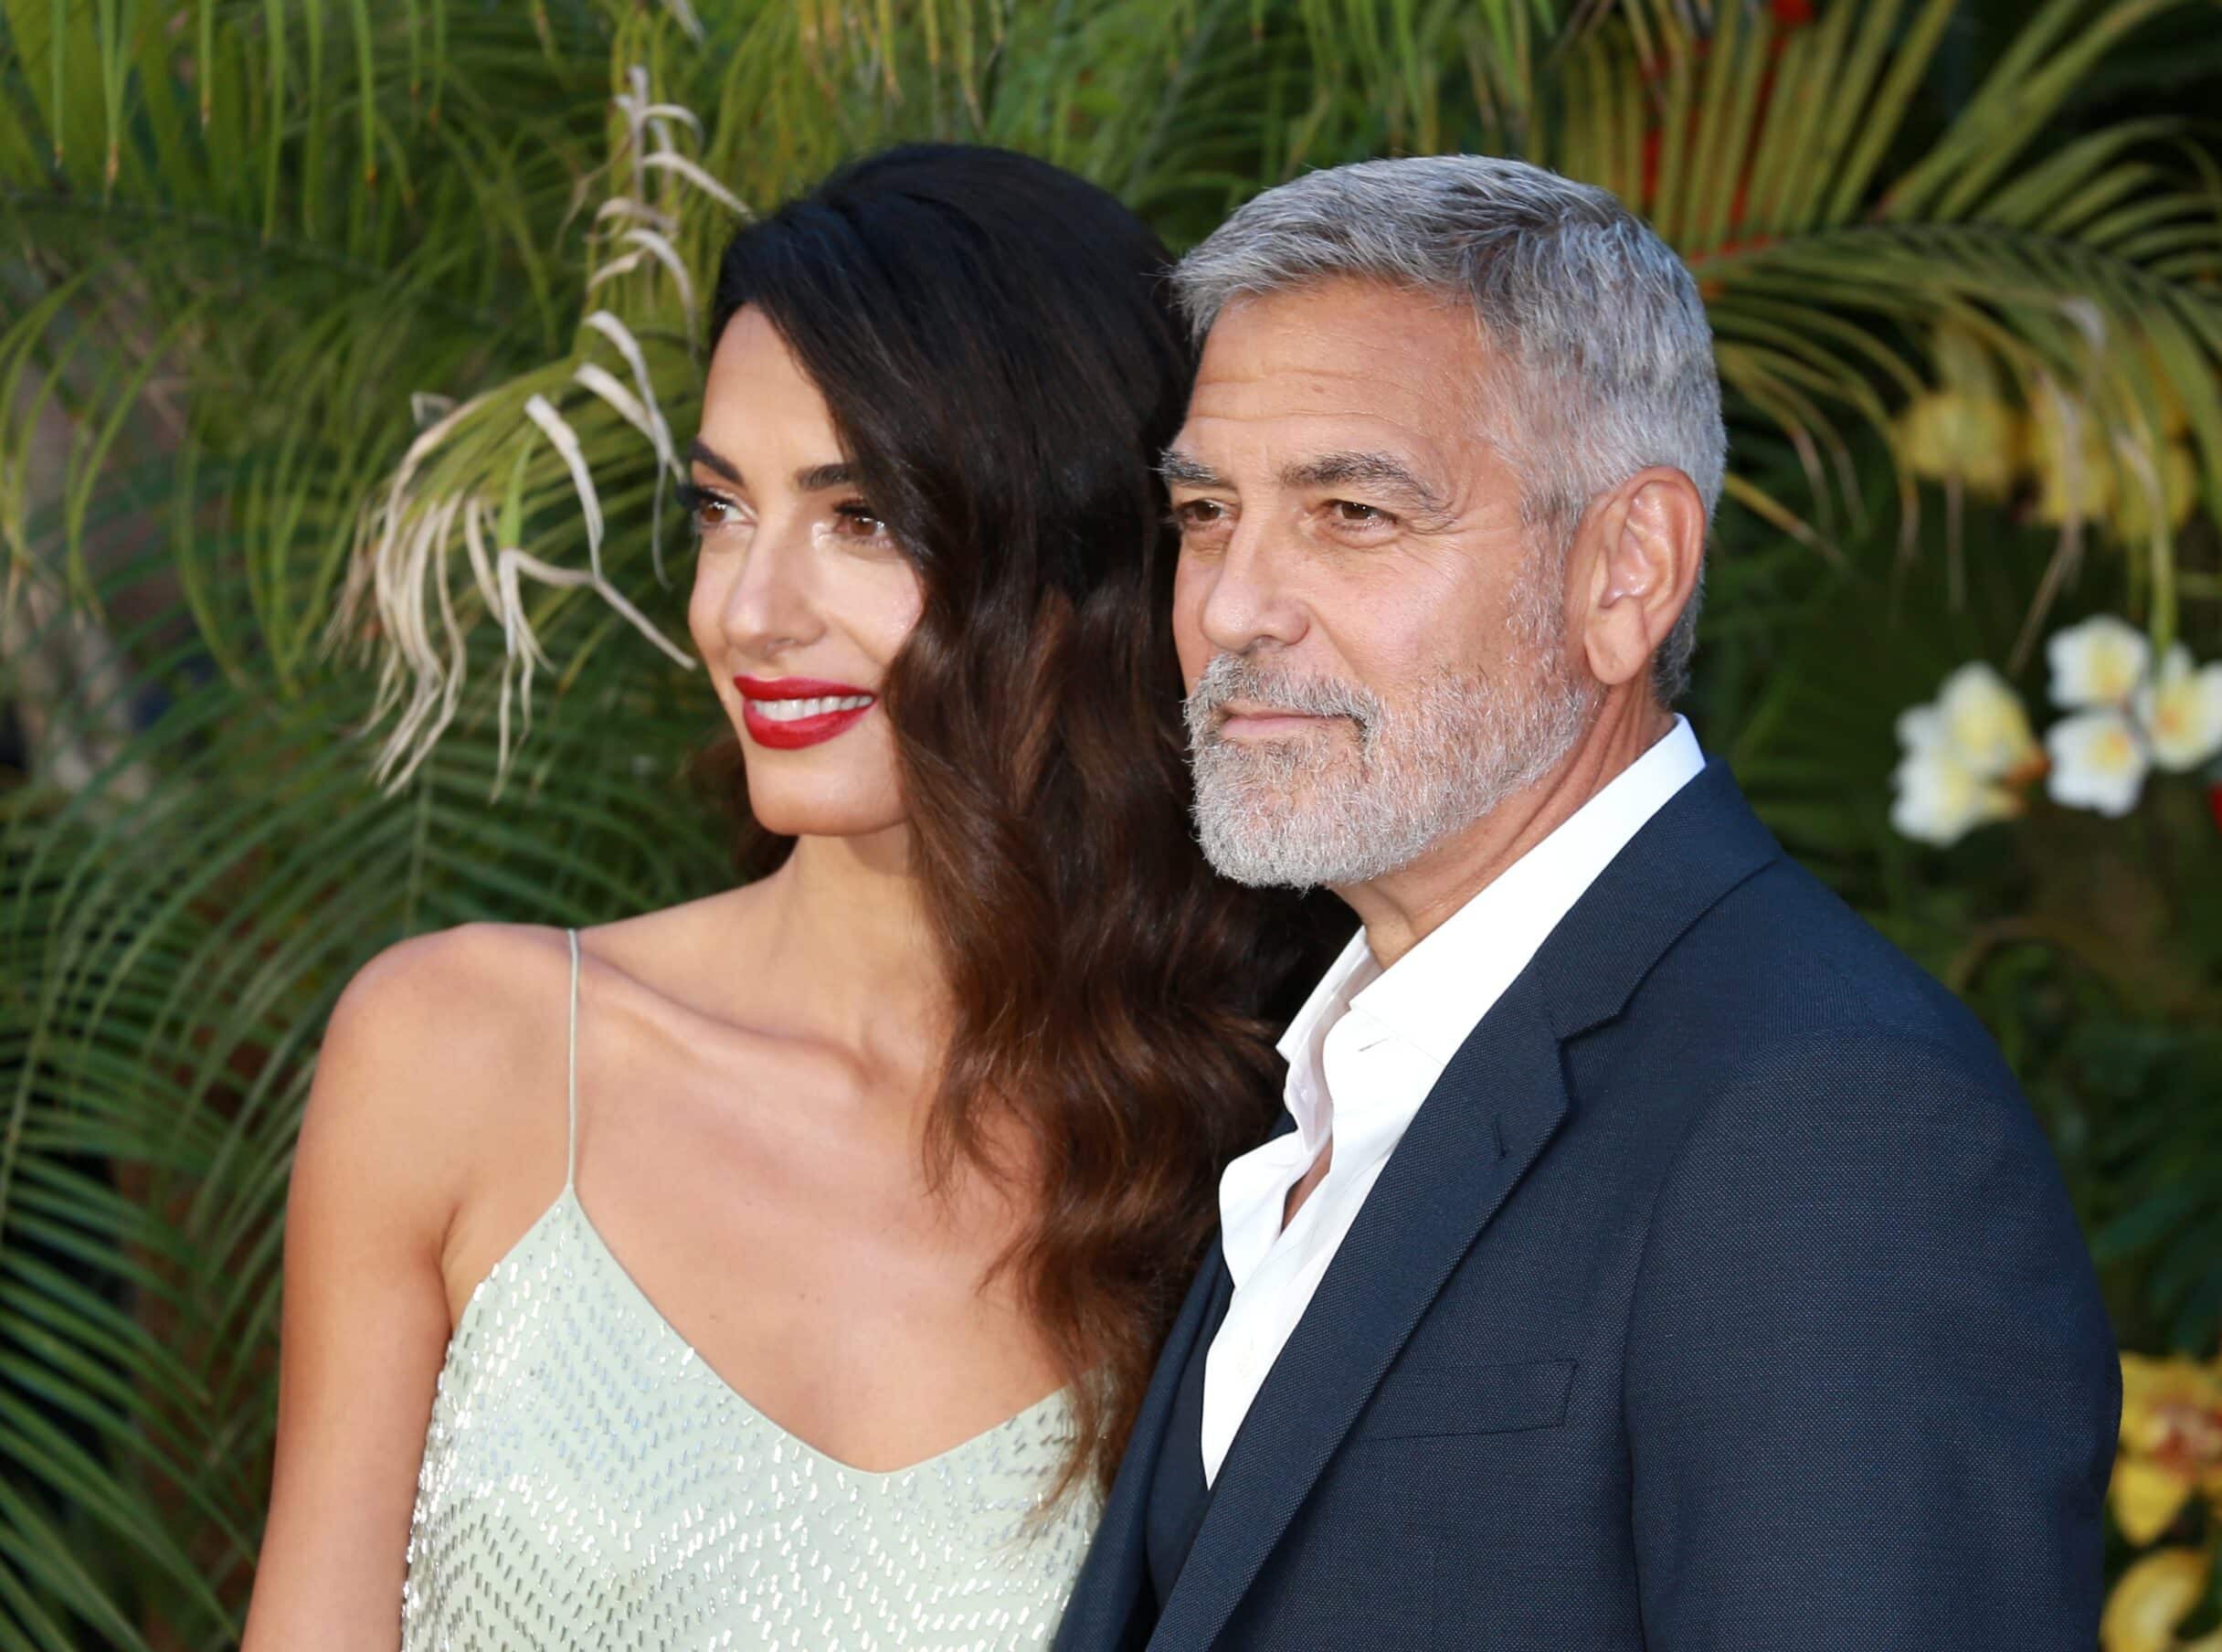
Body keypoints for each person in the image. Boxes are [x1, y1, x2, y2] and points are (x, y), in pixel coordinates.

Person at [241, 143, 1328, 1650]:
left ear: (1068, 556)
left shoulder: (1253, 1163)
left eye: (860, 518)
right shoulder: (467, 1053)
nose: (749, 612)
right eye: (721, 507)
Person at [1056, 155, 2120, 1652]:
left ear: (1628, 572)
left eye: (1353, 511)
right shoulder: (1329, 1080)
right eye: (1209, 511)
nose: (1231, 606)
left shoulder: (1834, 1124)